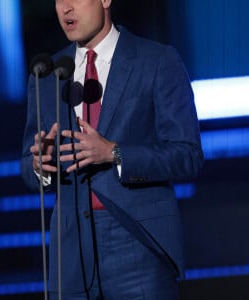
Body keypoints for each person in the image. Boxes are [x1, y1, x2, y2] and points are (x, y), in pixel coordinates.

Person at [21, 0, 204, 299]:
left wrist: (114, 153)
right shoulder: (47, 76)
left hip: (136, 244)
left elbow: (188, 156)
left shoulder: (157, 61)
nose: (65, 8)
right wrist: (40, 166)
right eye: (58, 0)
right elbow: (27, 165)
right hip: (70, 253)